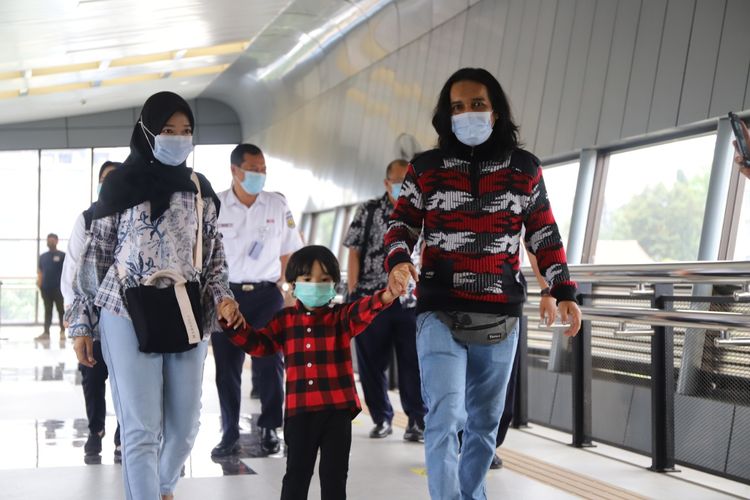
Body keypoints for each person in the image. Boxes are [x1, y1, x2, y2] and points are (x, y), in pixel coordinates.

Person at [385, 67, 582, 499]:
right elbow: (401, 226)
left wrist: (562, 289)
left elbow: (543, 233)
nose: (468, 113)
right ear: (445, 115)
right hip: (439, 308)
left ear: (495, 112)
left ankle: (471, 494)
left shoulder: (523, 169)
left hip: (501, 314)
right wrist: (398, 262)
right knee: (445, 414)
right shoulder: (426, 168)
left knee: (485, 424)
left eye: (477, 104)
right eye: (458, 107)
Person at [66, 91, 243, 500]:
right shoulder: (121, 187)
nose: (178, 138)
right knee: (141, 428)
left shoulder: (200, 190)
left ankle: (161, 487)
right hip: (124, 310)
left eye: (186, 131)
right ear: (147, 132)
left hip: (185, 309)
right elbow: (94, 260)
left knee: (185, 428)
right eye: (168, 130)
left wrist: (224, 299)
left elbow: (214, 258)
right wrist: (81, 324)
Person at [220, 245, 404, 500]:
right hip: (300, 413)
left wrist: (388, 295)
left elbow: (366, 308)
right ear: (294, 284)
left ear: (333, 286)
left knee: (334, 477)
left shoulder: (341, 317)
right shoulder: (284, 320)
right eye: (307, 279)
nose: (316, 285)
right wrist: (233, 323)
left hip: (337, 413)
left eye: (324, 280)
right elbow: (259, 345)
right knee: (296, 475)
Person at [211, 143, 303, 458]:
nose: (259, 175)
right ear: (235, 171)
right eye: (253, 169)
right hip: (226, 296)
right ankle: (229, 432)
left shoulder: (277, 205)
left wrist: (286, 287)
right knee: (227, 367)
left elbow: (290, 249)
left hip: (267, 295)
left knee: (270, 363)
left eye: (263, 169)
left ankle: (268, 427)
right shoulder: (216, 206)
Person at [343, 159, 427, 441]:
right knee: (371, 363)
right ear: (386, 182)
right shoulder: (368, 211)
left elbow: (427, 251)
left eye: (408, 179)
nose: (403, 184)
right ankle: (381, 418)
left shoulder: (423, 211)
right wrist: (354, 292)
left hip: (410, 301)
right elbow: (354, 252)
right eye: (398, 179)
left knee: (413, 362)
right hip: (372, 297)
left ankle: (417, 420)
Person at [60, 161, 122, 463]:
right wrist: (77, 327)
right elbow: (71, 273)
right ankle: (95, 430)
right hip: (92, 318)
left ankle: (125, 433)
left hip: (127, 319)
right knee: (93, 378)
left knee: (126, 380)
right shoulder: (86, 219)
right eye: (105, 180)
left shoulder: (135, 215)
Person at [37, 233, 65, 341]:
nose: (50, 242)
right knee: (47, 311)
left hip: (58, 289)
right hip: (46, 289)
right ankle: (46, 333)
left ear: (57, 241)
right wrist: (39, 285)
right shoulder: (42, 257)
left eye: (52, 240)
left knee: (60, 310)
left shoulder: (63, 255)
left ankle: (62, 332)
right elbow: (40, 271)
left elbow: (68, 272)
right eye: (48, 240)